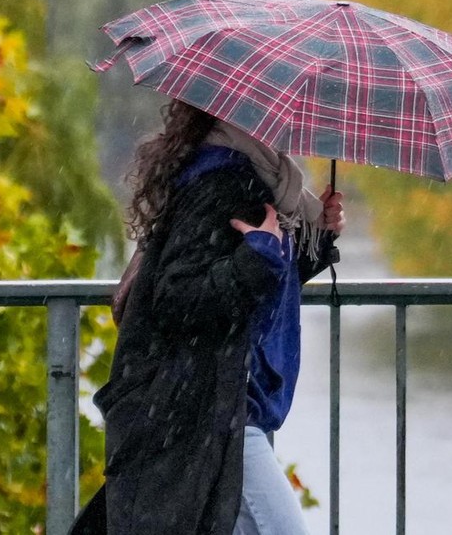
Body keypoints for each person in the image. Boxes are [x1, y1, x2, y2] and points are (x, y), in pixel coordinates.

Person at [73, 99, 345, 535]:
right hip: (206, 405)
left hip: (214, 402)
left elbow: (255, 289)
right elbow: (178, 298)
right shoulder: (221, 181)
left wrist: (316, 237)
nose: (285, 114)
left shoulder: (254, 177)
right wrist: (259, 256)